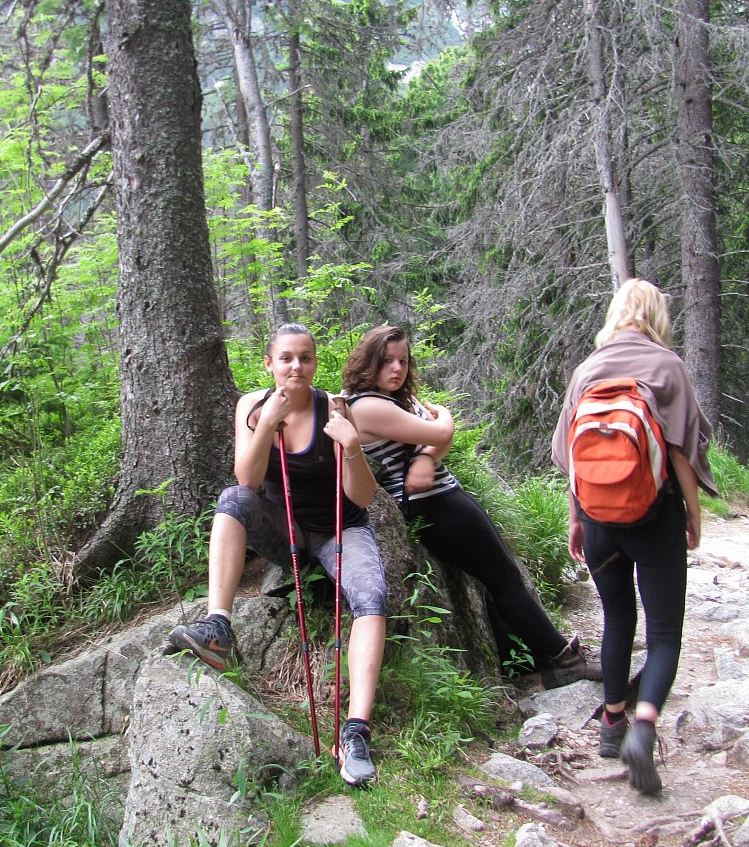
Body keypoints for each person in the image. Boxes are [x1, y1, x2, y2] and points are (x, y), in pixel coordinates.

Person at [168, 324, 387, 786]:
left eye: (305, 357)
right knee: (232, 500)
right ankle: (218, 627)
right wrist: (267, 423)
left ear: (315, 362)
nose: (296, 366)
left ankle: (355, 731)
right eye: (286, 358)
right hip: (284, 529)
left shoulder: (336, 408)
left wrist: (351, 446)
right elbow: (247, 480)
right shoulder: (251, 406)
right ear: (269, 363)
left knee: (371, 597)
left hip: (341, 528)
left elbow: (363, 498)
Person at [342, 325, 601, 691]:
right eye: (386, 361)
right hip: (432, 505)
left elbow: (436, 443)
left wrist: (427, 458)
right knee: (504, 578)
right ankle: (562, 662)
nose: (397, 369)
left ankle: (534, 658)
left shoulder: (390, 399)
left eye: (403, 360)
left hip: (440, 498)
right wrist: (444, 418)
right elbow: (441, 432)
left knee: (499, 578)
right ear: (368, 362)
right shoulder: (368, 406)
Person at [551, 278, 716, 795]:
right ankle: (643, 728)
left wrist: (577, 520)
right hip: (655, 516)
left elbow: (571, 457)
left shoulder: (587, 370)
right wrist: (693, 513)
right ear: (656, 316)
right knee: (664, 633)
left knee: (617, 618)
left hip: (599, 520)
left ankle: (611, 722)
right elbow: (682, 452)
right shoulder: (668, 367)